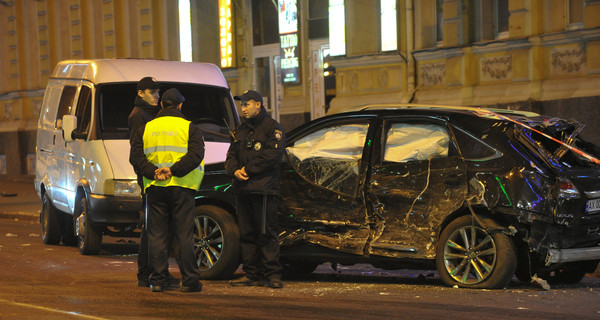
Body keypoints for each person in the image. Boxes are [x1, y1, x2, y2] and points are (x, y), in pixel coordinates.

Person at [129, 88, 204, 293]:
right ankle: (190, 281)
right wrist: (173, 170)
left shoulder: (147, 128)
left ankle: (158, 280)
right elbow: (196, 155)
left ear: (162, 104)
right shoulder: (189, 127)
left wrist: (153, 172)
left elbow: (135, 157)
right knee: (184, 235)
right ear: (180, 105)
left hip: (155, 188)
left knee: (157, 236)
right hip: (182, 186)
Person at [226, 90, 286, 289]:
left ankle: (272, 274)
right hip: (243, 190)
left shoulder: (272, 127)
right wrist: (234, 171)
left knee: (266, 233)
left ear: (258, 104)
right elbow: (231, 156)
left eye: (247, 104)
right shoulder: (240, 130)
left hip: (264, 190)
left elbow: (273, 155)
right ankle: (252, 274)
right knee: (247, 234)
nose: (243, 108)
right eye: (242, 105)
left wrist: (248, 170)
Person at [127, 77, 179, 289]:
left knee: (152, 229)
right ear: (140, 92)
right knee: (154, 230)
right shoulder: (140, 116)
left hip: (153, 178)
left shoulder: (147, 114)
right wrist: (151, 173)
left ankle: (148, 274)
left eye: (158, 92)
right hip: (152, 179)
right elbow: (138, 153)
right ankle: (151, 274)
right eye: (152, 92)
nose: (157, 96)